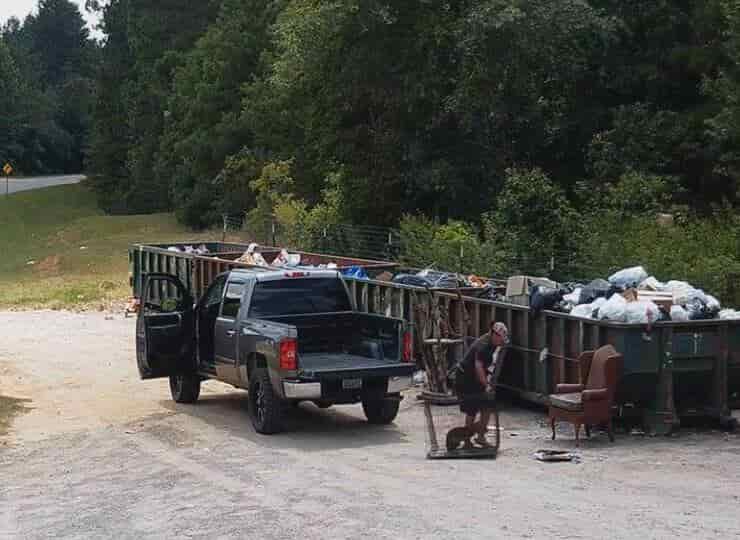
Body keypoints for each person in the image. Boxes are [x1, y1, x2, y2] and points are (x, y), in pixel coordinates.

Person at [454, 321, 509, 448]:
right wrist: (486, 384)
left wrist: (488, 383)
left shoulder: (494, 343)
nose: (502, 342)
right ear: (494, 335)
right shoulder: (483, 345)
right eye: (500, 339)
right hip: (466, 379)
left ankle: (480, 436)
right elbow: (478, 366)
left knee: (487, 405)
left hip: (477, 378)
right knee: (471, 409)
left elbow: (490, 365)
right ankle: (467, 440)